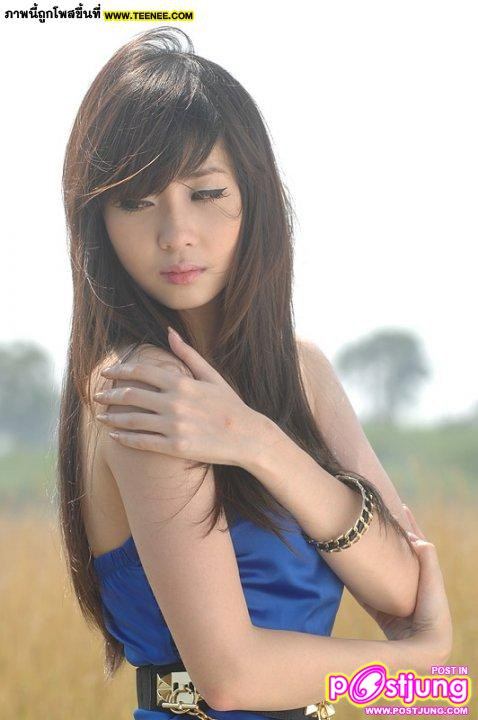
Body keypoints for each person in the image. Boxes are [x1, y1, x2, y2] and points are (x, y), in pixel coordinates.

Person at [58, 26, 452, 720]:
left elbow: (402, 589)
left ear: (255, 195)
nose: (176, 233)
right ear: (99, 222)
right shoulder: (146, 391)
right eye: (136, 201)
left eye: (206, 193)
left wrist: (261, 443)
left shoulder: (303, 373)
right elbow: (232, 679)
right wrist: (416, 665)